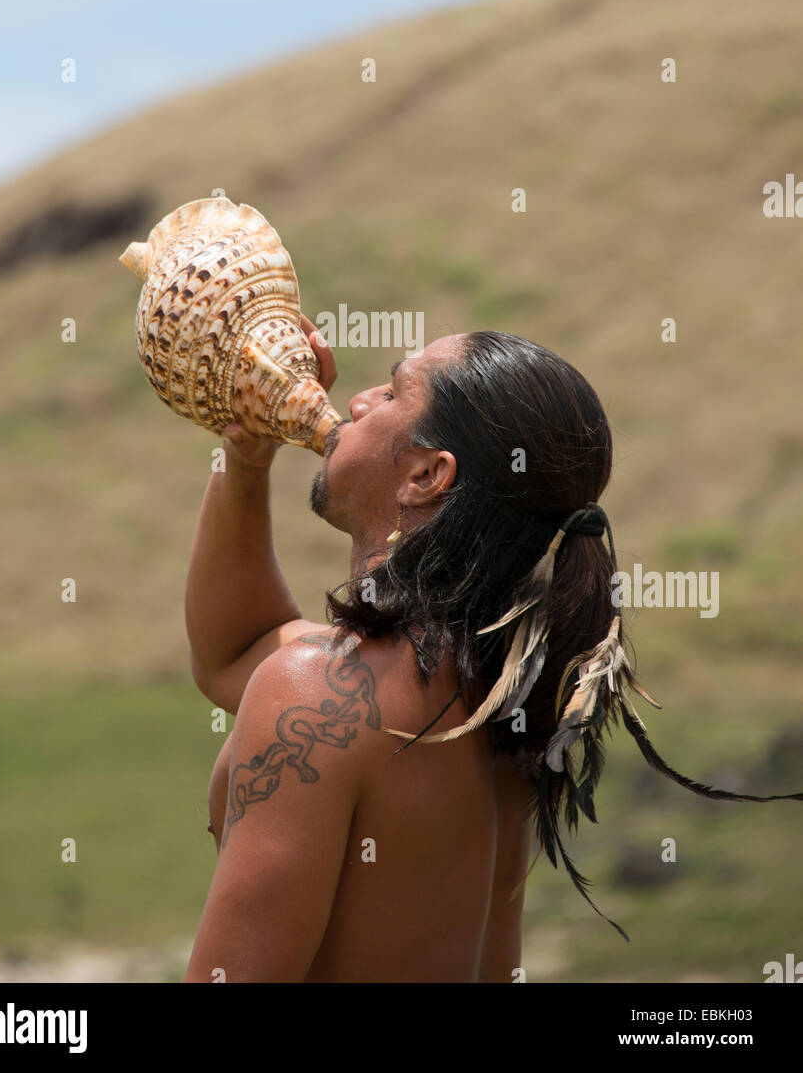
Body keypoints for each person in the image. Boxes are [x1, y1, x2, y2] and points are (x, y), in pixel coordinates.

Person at [181, 321, 802, 982]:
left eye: (391, 392)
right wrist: (245, 456)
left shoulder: (315, 690)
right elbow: (236, 649)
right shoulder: (502, 692)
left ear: (426, 474)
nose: (356, 400)